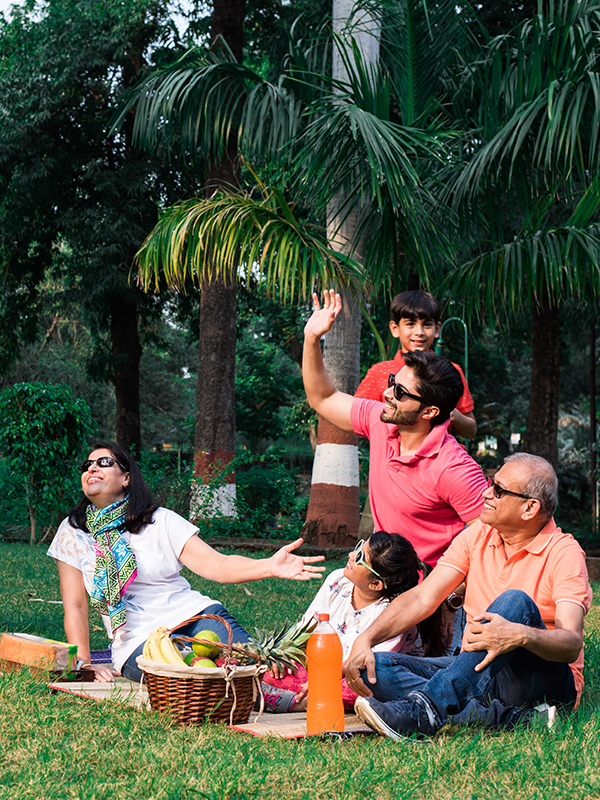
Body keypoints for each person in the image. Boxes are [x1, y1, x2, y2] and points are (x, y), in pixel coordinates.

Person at [345, 453, 592, 737]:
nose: (486, 493)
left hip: (537, 681)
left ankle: (425, 710)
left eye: (498, 490)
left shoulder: (564, 553)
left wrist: (521, 635)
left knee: (514, 602)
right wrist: (365, 639)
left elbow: (571, 643)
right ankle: (515, 720)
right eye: (490, 483)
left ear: (529, 508)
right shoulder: (477, 535)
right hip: (475, 670)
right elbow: (424, 596)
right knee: (375, 668)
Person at [47, 442, 325, 683]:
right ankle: (287, 701)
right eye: (88, 465)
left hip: (195, 615)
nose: (92, 468)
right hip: (137, 641)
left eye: (104, 462)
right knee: (195, 680)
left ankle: (319, 689)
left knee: (255, 665)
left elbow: (217, 565)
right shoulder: (73, 532)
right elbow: (75, 605)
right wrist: (82, 661)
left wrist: (268, 566)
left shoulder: (160, 521)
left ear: (126, 478)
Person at [302, 290, 487, 568]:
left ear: (430, 411)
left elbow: (490, 537)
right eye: (391, 382)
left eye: (399, 391)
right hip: (387, 568)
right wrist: (312, 339)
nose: (387, 394)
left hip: (431, 580)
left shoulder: (455, 470)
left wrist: (447, 589)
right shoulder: (379, 419)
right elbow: (323, 398)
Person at [260, 532, 445, 713]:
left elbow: (371, 666)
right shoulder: (338, 580)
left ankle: (296, 701)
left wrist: (325, 678)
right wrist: (283, 655)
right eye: (359, 547)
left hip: (354, 675)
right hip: (322, 668)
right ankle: (298, 696)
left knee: (362, 686)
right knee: (271, 668)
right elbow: (307, 626)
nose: (351, 555)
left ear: (375, 584)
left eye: (360, 557)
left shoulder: (393, 613)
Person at [355, 290, 477, 440]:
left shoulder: (450, 372)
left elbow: (470, 431)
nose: (419, 332)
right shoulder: (379, 372)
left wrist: (453, 415)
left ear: (437, 329)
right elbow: (355, 418)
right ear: (395, 328)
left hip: (440, 459)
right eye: (410, 324)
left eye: (426, 324)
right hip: (391, 458)